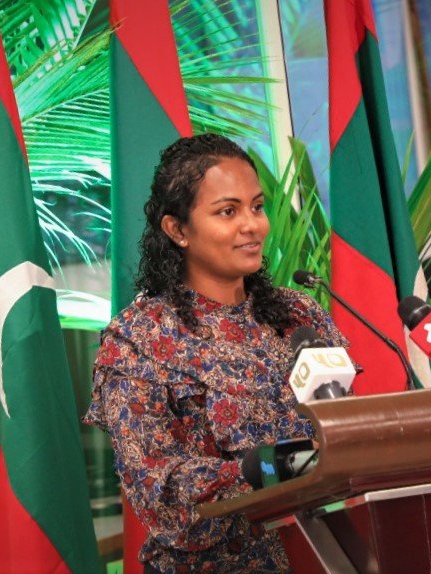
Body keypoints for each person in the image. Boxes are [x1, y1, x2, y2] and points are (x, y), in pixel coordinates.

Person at [84, 134, 347, 573]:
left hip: (326, 556)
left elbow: (349, 430)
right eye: (228, 211)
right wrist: (266, 468)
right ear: (178, 230)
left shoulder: (297, 315)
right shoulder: (138, 338)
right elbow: (156, 489)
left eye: (257, 207)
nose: (253, 225)